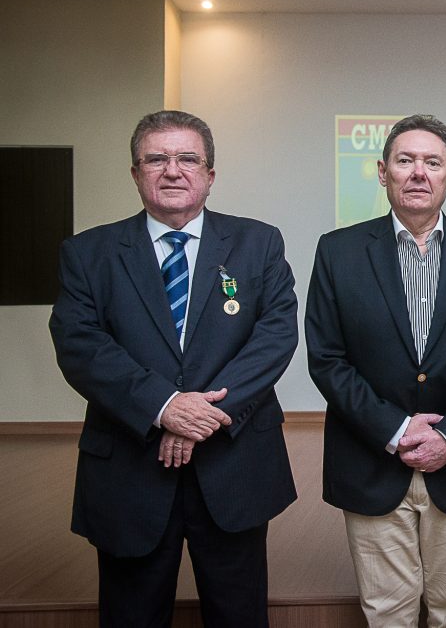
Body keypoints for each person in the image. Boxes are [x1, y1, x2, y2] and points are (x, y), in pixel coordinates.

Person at [49, 110, 298, 627]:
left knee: (239, 617)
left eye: (188, 159)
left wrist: (199, 416)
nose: (172, 170)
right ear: (135, 172)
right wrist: (163, 407)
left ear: (210, 173)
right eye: (156, 159)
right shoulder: (89, 253)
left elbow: (275, 337)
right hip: (129, 470)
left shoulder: (258, 243)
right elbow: (79, 345)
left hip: (233, 466)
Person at [305, 114, 446, 628]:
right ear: (383, 172)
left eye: (432, 162)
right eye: (405, 160)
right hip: (371, 460)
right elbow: (327, 359)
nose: (419, 172)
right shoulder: (338, 251)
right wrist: (396, 429)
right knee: (387, 614)